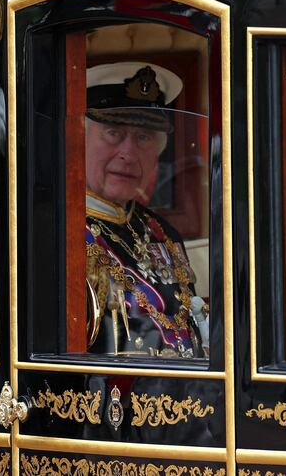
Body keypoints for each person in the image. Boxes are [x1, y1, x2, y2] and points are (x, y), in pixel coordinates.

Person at [84, 62, 207, 358]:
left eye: (143, 137)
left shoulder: (161, 232)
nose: (128, 153)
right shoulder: (43, 236)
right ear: (78, 140)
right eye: (113, 133)